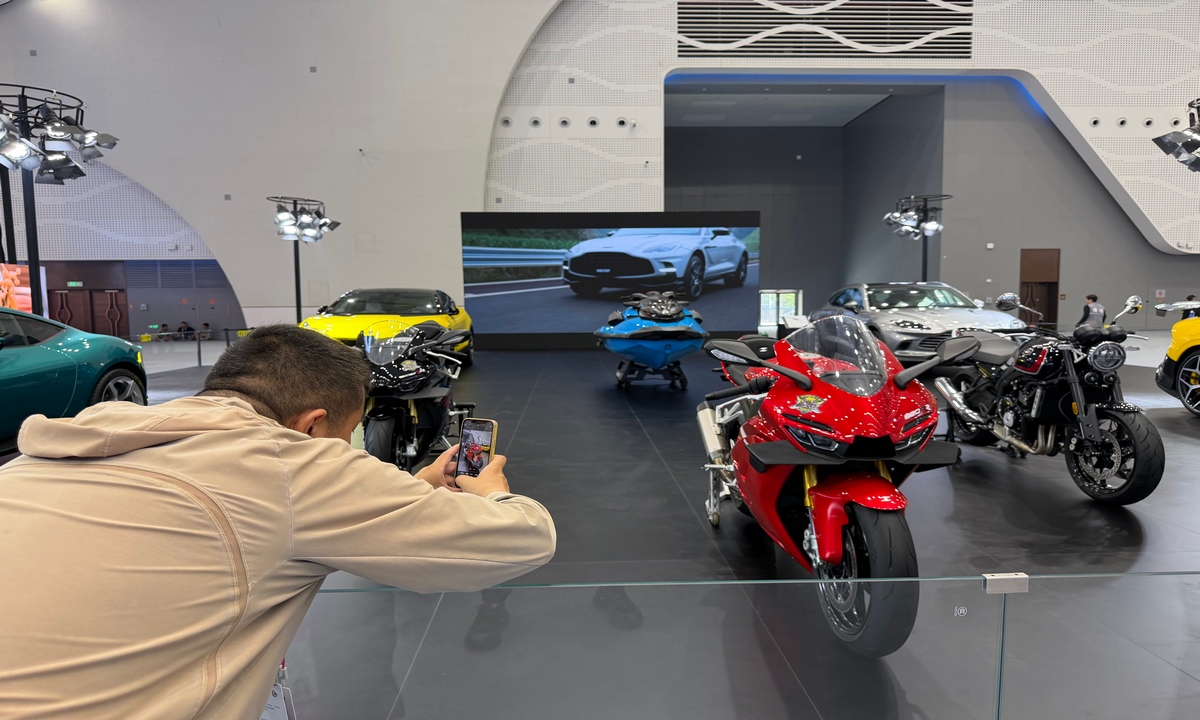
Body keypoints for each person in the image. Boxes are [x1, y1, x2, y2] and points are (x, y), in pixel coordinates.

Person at [0, 325, 556, 719]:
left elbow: (252, 521)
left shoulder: (62, 451)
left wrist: (413, 490)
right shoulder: (287, 462)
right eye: (350, 433)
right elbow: (519, 541)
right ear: (313, 425)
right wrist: (492, 494)